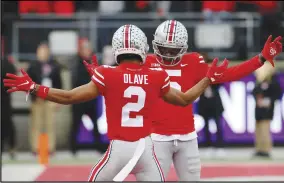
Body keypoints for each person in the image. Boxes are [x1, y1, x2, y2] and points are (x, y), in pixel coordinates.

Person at [4, 24, 228, 181]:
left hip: (119, 149)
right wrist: (208, 79)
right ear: (143, 48)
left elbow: (69, 97)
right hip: (146, 150)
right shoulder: (156, 75)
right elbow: (185, 99)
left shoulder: (107, 74)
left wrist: (34, 87)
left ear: (117, 48)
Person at [143, 20, 282, 181]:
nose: (167, 54)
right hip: (157, 137)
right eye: (163, 48)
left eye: (172, 50)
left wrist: (260, 58)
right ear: (155, 45)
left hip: (187, 137)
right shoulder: (146, 62)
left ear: (183, 48)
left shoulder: (192, 61)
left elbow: (230, 74)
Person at [26, 42, 62, 155]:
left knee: (50, 125)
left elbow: (58, 83)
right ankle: (36, 148)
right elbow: (27, 83)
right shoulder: (32, 66)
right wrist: (33, 96)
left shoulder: (54, 65)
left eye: (45, 51)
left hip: (50, 98)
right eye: (41, 51)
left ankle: (50, 148)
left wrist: (58, 99)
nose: (43, 53)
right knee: (36, 125)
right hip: (37, 100)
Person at [70, 38, 103, 155]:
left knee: (95, 123)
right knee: (75, 123)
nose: (87, 51)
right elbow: (75, 81)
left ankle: (99, 147)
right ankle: (73, 148)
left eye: (88, 49)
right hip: (79, 99)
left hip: (90, 99)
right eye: (85, 49)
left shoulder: (93, 62)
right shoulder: (76, 63)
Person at [197, 53, 225, 158]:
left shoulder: (216, 74)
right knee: (206, 126)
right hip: (205, 102)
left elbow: (220, 84)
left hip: (215, 102)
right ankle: (208, 146)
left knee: (218, 125)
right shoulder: (200, 73)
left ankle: (220, 147)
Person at [252, 62, 282, 158]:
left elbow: (277, 94)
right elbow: (254, 92)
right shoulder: (259, 82)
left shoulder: (273, 82)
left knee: (265, 129)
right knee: (258, 129)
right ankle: (259, 149)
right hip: (258, 110)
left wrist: (268, 100)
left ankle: (266, 149)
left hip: (267, 110)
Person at [1, 55, 17, 159]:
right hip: (5, 97)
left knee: (7, 123)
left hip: (4, 98)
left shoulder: (6, 63)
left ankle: (11, 147)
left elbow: (13, 75)